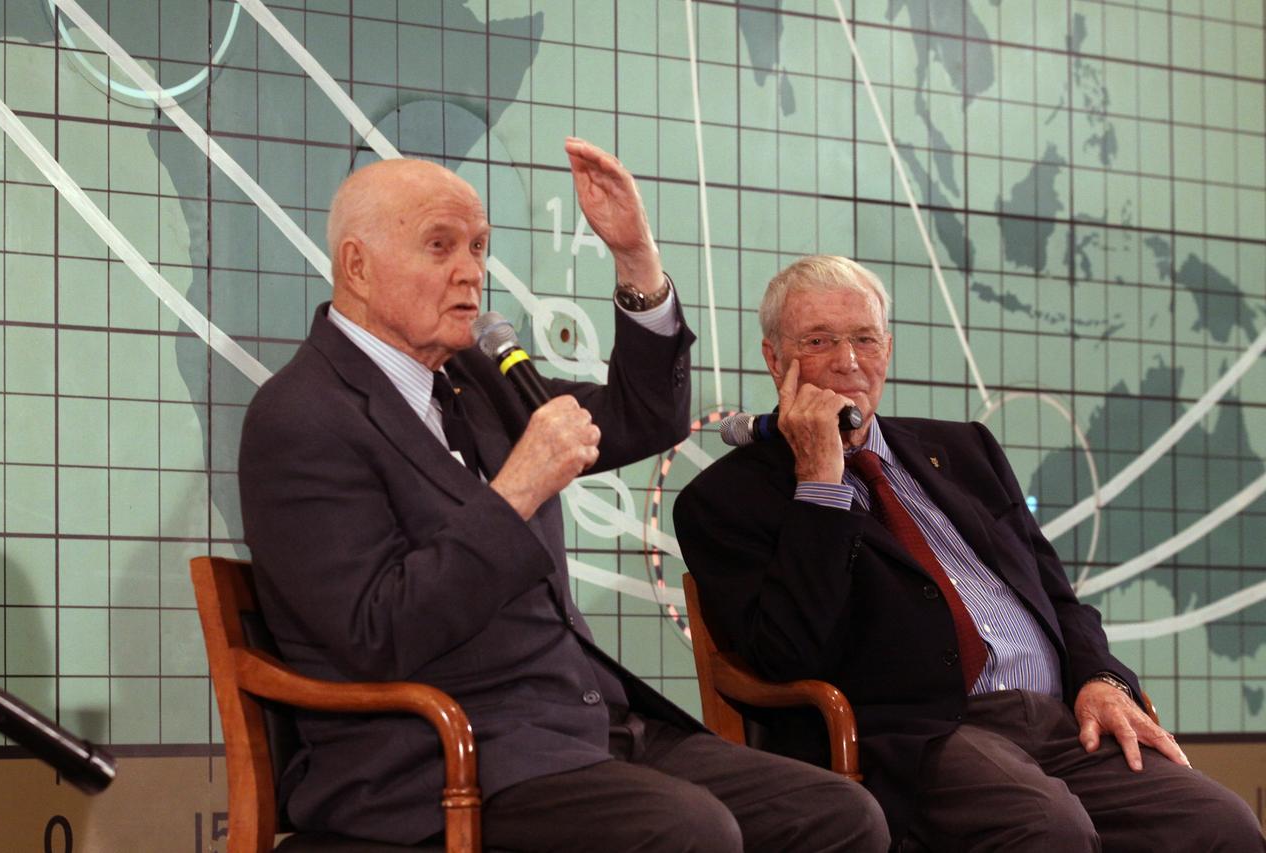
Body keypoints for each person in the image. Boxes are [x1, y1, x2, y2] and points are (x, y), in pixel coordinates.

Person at [238, 148, 888, 851]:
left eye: (478, 247)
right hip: (435, 757)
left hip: (583, 725)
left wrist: (635, 259)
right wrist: (519, 487)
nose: (471, 271)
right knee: (693, 833)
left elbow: (644, 416)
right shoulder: (302, 416)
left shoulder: (475, 379)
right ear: (358, 266)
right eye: (440, 246)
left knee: (840, 816)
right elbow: (374, 636)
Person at [674, 254, 1264, 852]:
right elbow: (784, 654)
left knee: (1220, 823)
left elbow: (1058, 599)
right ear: (776, 359)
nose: (848, 360)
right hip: (916, 736)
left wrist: (1101, 677)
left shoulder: (964, 449)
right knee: (1048, 827)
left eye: (865, 339)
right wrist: (820, 483)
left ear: (887, 350)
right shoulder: (724, 501)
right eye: (819, 341)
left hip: (1057, 719)